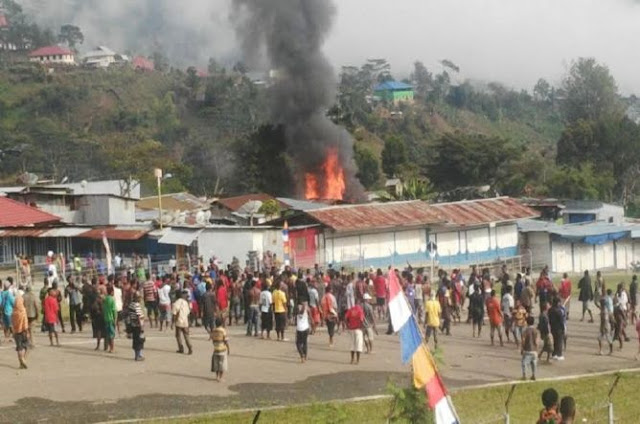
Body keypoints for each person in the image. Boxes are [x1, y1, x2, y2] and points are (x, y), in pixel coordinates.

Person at [172, 290, 193, 354]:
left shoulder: (175, 303)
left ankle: (181, 348)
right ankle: (190, 347)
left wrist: (173, 322)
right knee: (186, 335)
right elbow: (188, 312)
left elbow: (174, 314)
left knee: (178, 335)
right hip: (185, 320)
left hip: (179, 321)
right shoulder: (185, 302)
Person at [345, 300, 365, 365]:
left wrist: (348, 325)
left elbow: (346, 318)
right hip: (358, 329)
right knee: (358, 345)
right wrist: (361, 327)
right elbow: (361, 320)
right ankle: (357, 360)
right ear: (359, 303)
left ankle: (352, 359)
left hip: (351, 329)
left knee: (352, 344)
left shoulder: (351, 309)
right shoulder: (360, 310)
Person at [12, 296, 29, 369]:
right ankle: (23, 359)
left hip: (16, 331)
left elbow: (12, 323)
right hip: (23, 331)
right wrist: (27, 331)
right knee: (25, 346)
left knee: (19, 347)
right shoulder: (23, 311)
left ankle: (21, 363)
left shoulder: (13, 312)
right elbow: (25, 322)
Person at [210, 317, 230, 381]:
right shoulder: (223, 331)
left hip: (216, 349)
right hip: (222, 349)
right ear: (222, 323)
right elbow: (226, 341)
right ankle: (221, 377)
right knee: (222, 364)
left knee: (216, 364)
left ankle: (217, 376)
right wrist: (228, 349)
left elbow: (212, 339)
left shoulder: (214, 330)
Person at [128, 293, 145, 361]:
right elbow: (138, 316)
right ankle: (138, 356)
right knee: (139, 340)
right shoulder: (136, 305)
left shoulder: (131, 304)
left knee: (135, 340)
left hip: (133, 324)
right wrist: (141, 326)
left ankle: (138, 355)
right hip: (138, 325)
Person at [521, 316, 538, 381]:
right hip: (534, 350)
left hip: (527, 350)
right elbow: (536, 341)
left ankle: (524, 375)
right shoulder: (535, 330)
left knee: (524, 363)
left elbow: (523, 340)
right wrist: (536, 348)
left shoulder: (525, 330)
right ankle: (534, 375)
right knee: (534, 363)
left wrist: (522, 348)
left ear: (527, 322)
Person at [103, 286, 117, 353]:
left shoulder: (105, 299)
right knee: (112, 334)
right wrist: (115, 319)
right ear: (111, 292)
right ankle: (112, 348)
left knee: (108, 334)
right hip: (111, 318)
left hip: (106, 318)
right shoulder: (112, 299)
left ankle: (110, 347)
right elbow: (114, 310)